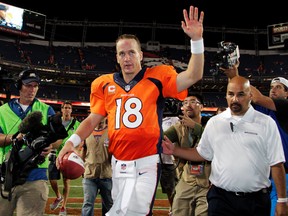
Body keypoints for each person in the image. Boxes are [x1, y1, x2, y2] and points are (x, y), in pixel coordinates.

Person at [56, 5, 205, 216]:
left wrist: (196, 40)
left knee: (135, 212)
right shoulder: (103, 84)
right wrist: (71, 143)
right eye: (122, 54)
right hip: (118, 164)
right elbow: (91, 121)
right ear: (116, 58)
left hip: (146, 161)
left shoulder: (157, 77)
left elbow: (193, 75)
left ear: (140, 55)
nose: (127, 58)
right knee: (121, 212)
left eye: (131, 53)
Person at [162, 76, 288, 216]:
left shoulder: (266, 123)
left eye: (240, 94)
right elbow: (202, 153)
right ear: (226, 96)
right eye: (231, 94)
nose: (235, 99)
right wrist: (175, 150)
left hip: (256, 200)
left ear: (250, 95)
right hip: (221, 198)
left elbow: (277, 163)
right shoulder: (215, 122)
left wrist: (282, 200)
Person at [223, 63, 288, 216]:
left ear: (287, 94)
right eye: (272, 86)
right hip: (265, 174)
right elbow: (245, 99)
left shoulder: (285, 106)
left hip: (283, 173)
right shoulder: (265, 110)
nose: (273, 89)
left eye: (279, 87)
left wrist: (235, 75)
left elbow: (256, 97)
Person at [0, 69, 62, 215]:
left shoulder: (47, 110)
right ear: (19, 86)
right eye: (28, 85)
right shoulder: (2, 111)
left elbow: (59, 138)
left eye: (35, 86)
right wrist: (14, 138)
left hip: (36, 175)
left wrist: (51, 146)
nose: (32, 89)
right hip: (6, 174)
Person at [164, 93, 211, 216]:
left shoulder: (211, 124)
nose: (188, 105)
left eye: (193, 102)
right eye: (185, 102)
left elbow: (215, 141)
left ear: (201, 107)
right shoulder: (178, 127)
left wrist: (195, 127)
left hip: (208, 181)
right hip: (187, 179)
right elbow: (161, 139)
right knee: (179, 211)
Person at [49, 101, 81, 216]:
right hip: (55, 154)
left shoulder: (76, 124)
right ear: (61, 109)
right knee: (52, 179)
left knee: (66, 181)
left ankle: (63, 207)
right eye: (65, 107)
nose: (67, 109)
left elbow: (81, 139)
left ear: (71, 110)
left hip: (68, 156)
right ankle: (58, 196)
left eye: (69, 108)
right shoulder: (56, 123)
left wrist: (77, 151)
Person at [81, 117, 113, 216]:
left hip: (107, 174)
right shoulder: (87, 131)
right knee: (88, 203)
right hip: (89, 173)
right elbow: (83, 150)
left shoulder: (111, 132)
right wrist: (82, 167)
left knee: (108, 204)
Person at [160, 115, 179, 216]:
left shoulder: (174, 119)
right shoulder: (154, 116)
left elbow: (178, 136)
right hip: (156, 160)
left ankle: (173, 209)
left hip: (169, 161)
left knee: (171, 188)